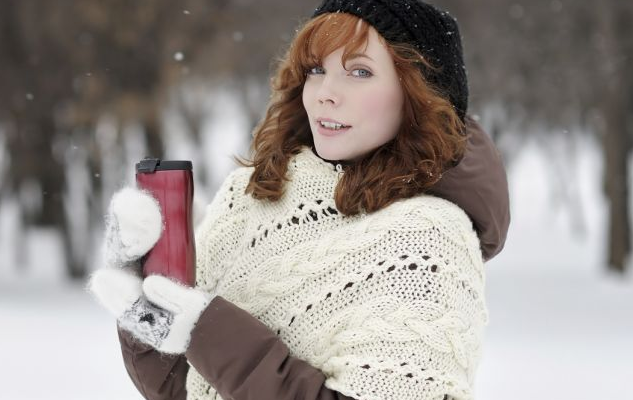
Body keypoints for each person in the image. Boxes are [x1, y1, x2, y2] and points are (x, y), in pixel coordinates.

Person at [87, 0, 510, 399]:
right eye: (315, 69)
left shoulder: (429, 241)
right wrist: (148, 305)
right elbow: (183, 390)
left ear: (418, 94)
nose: (326, 91)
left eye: (359, 72)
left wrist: (207, 330)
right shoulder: (257, 195)